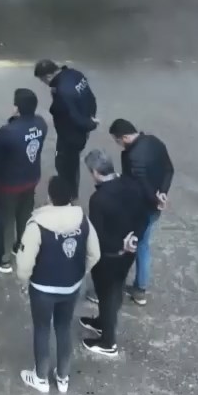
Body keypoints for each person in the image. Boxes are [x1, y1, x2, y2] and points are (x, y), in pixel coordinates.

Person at [15, 174, 99, 393]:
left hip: (42, 288)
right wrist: (79, 272)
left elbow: (24, 264)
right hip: (71, 287)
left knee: (42, 328)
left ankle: (40, 377)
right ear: (71, 197)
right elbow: (95, 253)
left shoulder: (37, 224)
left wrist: (24, 279)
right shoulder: (82, 219)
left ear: (50, 197)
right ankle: (63, 377)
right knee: (63, 327)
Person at [80, 148, 152, 358]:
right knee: (115, 290)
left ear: (95, 172)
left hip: (108, 256)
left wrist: (119, 245)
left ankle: (108, 341)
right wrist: (134, 239)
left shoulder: (99, 199)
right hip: (128, 252)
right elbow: (144, 216)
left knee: (107, 295)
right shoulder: (131, 185)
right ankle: (102, 322)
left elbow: (98, 235)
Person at [112, 119, 175, 306]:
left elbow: (140, 185)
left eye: (117, 140)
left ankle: (116, 285)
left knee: (128, 244)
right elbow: (169, 169)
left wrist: (154, 199)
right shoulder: (155, 142)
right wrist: (162, 193)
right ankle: (140, 288)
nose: (118, 144)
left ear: (124, 137)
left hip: (138, 208)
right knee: (143, 245)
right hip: (154, 207)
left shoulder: (132, 157)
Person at [0, 88, 49, 273]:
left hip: (8, 183)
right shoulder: (41, 124)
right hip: (31, 178)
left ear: (16, 107)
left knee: (6, 219)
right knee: (24, 214)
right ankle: (21, 247)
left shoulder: (8, 131)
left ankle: (4, 259)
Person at [36, 60, 98, 199]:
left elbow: (72, 115)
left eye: (42, 80)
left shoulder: (63, 90)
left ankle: (68, 197)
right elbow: (91, 98)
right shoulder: (75, 74)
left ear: (48, 76)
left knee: (64, 165)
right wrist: (91, 119)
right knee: (72, 163)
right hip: (81, 128)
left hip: (70, 134)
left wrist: (89, 124)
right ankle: (71, 194)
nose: (44, 83)